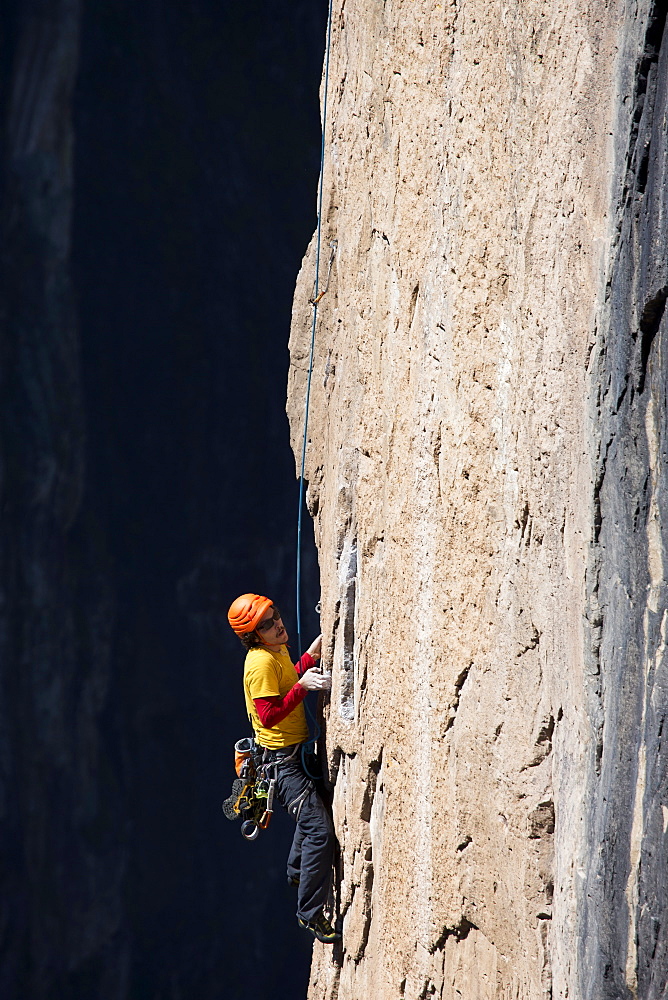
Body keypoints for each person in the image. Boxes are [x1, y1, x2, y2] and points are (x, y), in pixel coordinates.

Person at [228, 592, 341, 944]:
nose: (277, 624)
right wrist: (304, 688)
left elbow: (287, 679)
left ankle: (296, 870)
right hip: (282, 764)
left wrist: (309, 657)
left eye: (275, 616)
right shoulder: (260, 663)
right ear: (253, 635)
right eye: (266, 624)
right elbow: (268, 715)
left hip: (291, 754)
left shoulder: (276, 651)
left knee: (313, 810)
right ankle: (308, 913)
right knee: (319, 831)